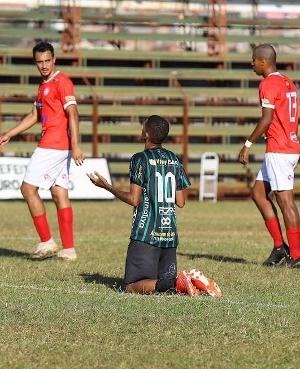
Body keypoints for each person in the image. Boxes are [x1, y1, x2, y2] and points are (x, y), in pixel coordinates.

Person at [88, 115, 193, 294]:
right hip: (169, 238)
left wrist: (107, 186)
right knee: (160, 287)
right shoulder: (174, 159)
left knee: (131, 287)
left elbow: (134, 200)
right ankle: (178, 283)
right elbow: (181, 202)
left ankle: (176, 283)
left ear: (146, 134)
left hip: (146, 237)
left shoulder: (140, 159)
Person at [0, 41, 84, 260]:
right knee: (58, 193)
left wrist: (75, 145)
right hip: (57, 146)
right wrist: (10, 133)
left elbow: (73, 113)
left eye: (48, 60)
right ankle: (68, 249)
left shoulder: (62, 81)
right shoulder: (43, 85)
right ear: (35, 62)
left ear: (54, 59)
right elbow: (34, 116)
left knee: (27, 189)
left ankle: (46, 241)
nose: (44, 65)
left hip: (53, 145)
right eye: (40, 62)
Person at [239, 44, 300, 268]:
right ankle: (279, 247)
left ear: (264, 62)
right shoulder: (287, 82)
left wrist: (247, 144)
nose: (252, 63)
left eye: (254, 60)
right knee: (258, 193)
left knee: (286, 202)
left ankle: (296, 254)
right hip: (286, 146)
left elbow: (266, 119)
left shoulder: (268, 83)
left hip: (280, 150)